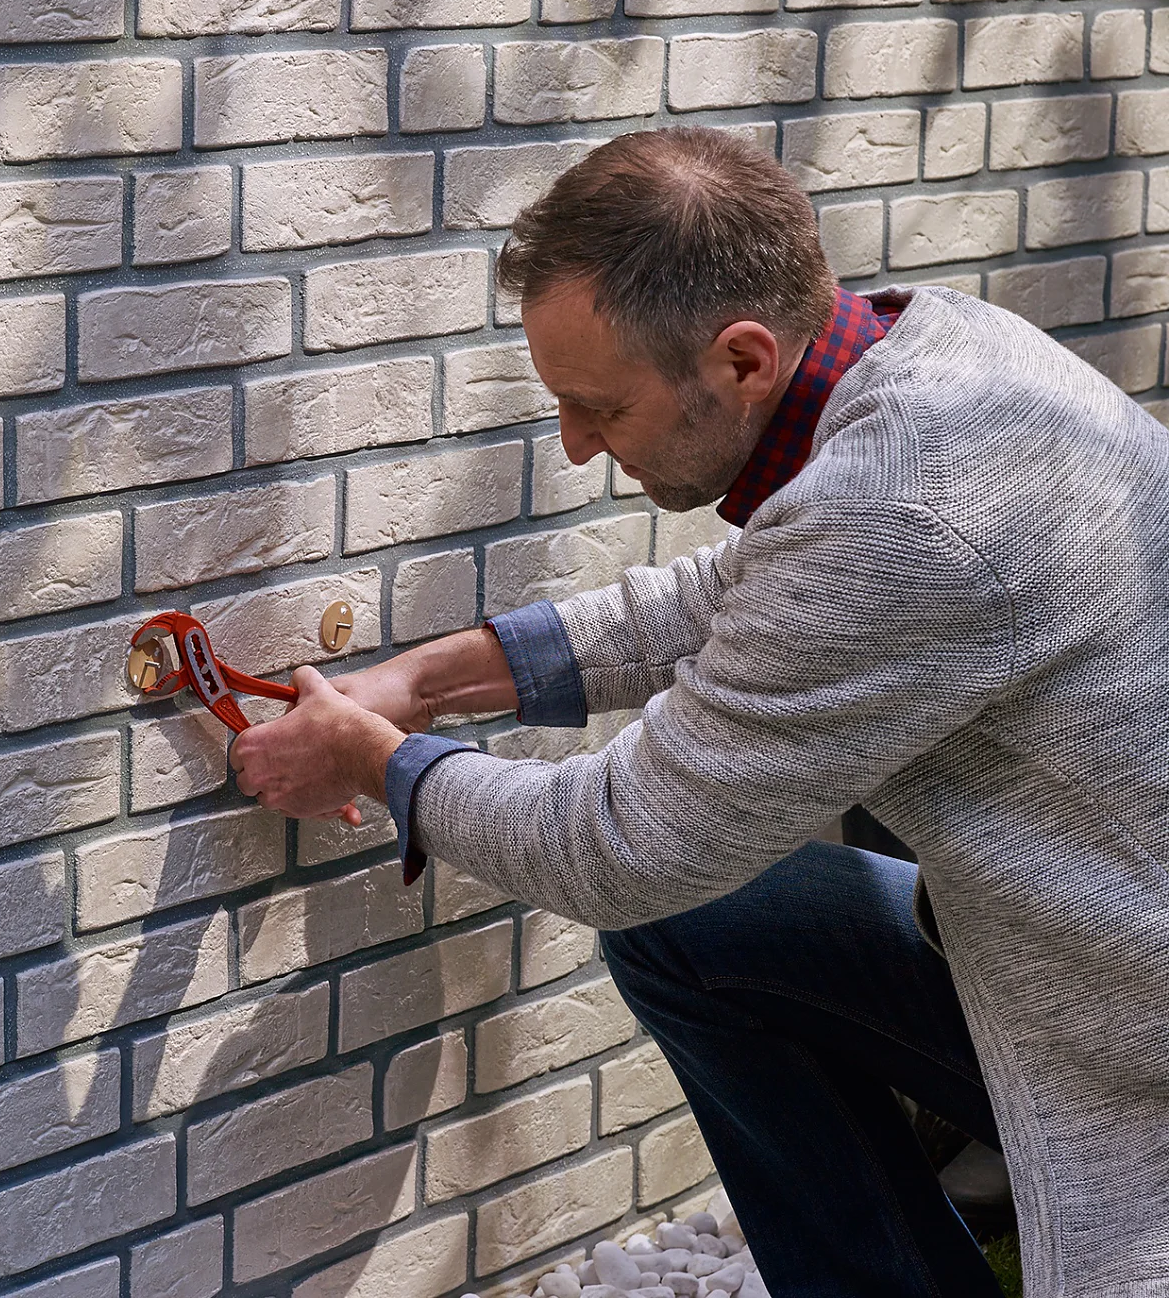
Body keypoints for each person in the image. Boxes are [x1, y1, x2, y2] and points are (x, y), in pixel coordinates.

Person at [229, 127, 1169, 1298]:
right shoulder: (936, 357)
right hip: (1087, 948)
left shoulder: (908, 516)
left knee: (668, 901)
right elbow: (743, 595)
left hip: (1132, 1036)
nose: (575, 445)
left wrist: (382, 763)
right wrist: (426, 683)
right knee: (707, 935)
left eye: (599, 409)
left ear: (739, 359)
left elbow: (623, 847)